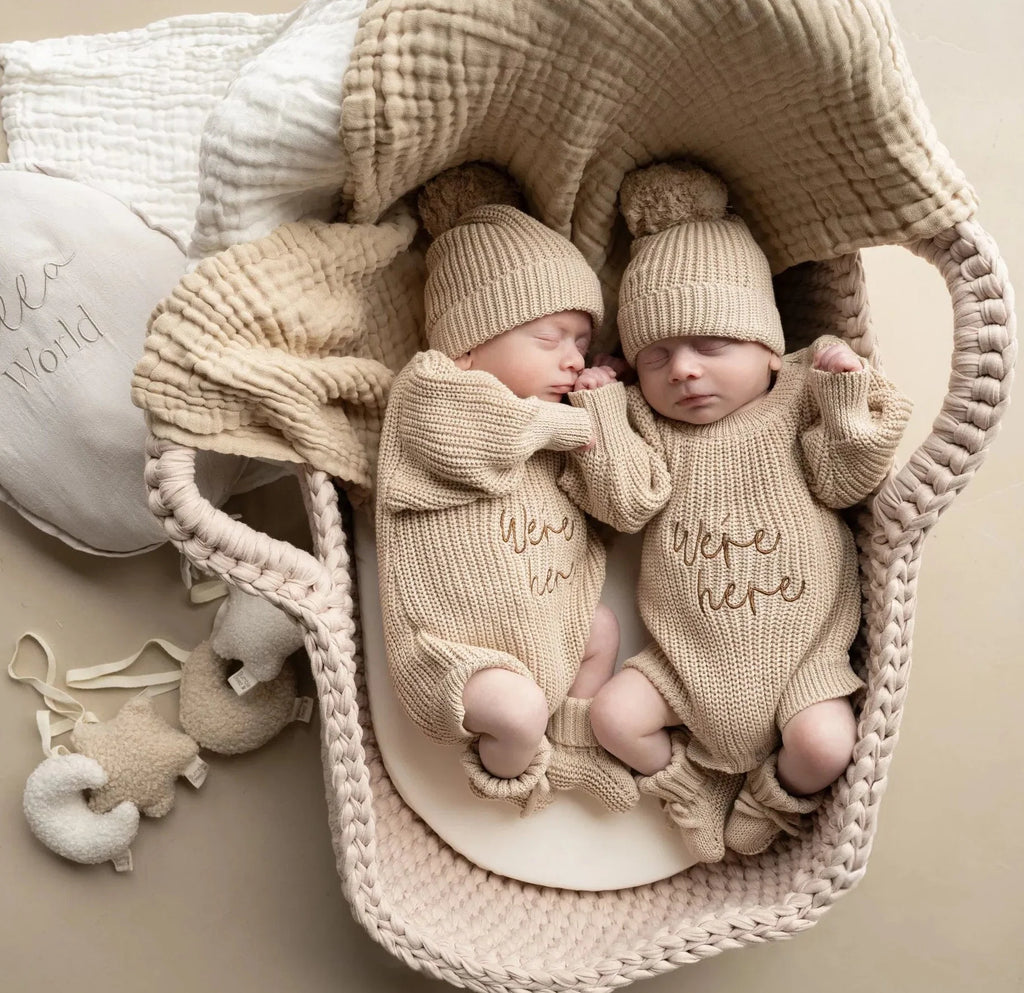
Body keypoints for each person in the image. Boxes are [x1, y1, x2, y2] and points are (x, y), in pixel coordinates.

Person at [563, 161, 912, 859]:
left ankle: (770, 798)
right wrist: (599, 404)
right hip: (684, 661)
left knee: (824, 743)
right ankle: (688, 784)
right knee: (613, 717)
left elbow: (848, 481)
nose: (683, 370)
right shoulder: (645, 420)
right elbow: (623, 505)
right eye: (656, 356)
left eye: (710, 346)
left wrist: (846, 399)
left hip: (802, 659)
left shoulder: (800, 393)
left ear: (768, 349)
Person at [375, 163, 664, 815]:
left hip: (551, 629)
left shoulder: (563, 417)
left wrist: (606, 414)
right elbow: (487, 435)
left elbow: (628, 504)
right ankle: (515, 773)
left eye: (583, 342)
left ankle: (574, 749)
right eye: (550, 338)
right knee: (519, 707)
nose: (572, 357)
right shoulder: (433, 389)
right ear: (468, 348)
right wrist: (569, 422)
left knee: (602, 627)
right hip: (456, 655)